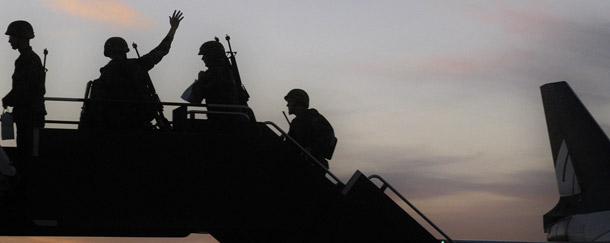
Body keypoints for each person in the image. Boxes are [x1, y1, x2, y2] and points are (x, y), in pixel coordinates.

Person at [80, 10, 183, 129]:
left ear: (109, 53)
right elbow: (161, 51)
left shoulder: (107, 72)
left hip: (114, 126)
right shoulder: (136, 66)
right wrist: (173, 29)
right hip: (132, 123)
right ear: (125, 51)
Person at [2, 20, 46, 161]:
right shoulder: (26, 59)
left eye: (11, 37)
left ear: (20, 38)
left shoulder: (29, 59)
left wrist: (8, 99)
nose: (9, 41)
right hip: (27, 114)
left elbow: (25, 88)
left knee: (27, 154)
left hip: (30, 116)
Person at [187, 40, 241, 121]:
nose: (202, 58)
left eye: (204, 55)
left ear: (211, 55)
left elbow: (194, 100)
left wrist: (201, 79)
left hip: (221, 121)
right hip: (233, 119)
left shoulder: (214, 73)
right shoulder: (227, 71)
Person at [284, 89, 336, 171]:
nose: (287, 105)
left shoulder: (313, 117)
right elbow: (289, 143)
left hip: (314, 165)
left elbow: (328, 137)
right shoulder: (296, 122)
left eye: (290, 101)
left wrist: (311, 150)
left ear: (298, 102)